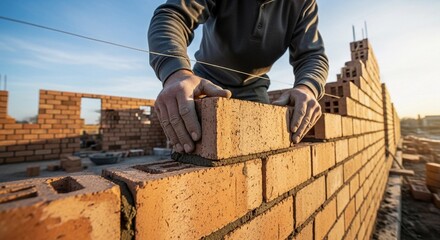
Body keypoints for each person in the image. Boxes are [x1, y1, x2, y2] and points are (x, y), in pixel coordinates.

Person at [148, 0, 329, 153]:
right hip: (205, 86)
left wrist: (307, 88)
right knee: (195, 153)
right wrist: (176, 73)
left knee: (260, 157)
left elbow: (312, 56)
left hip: (254, 89)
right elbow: (173, 16)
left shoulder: (304, 3)